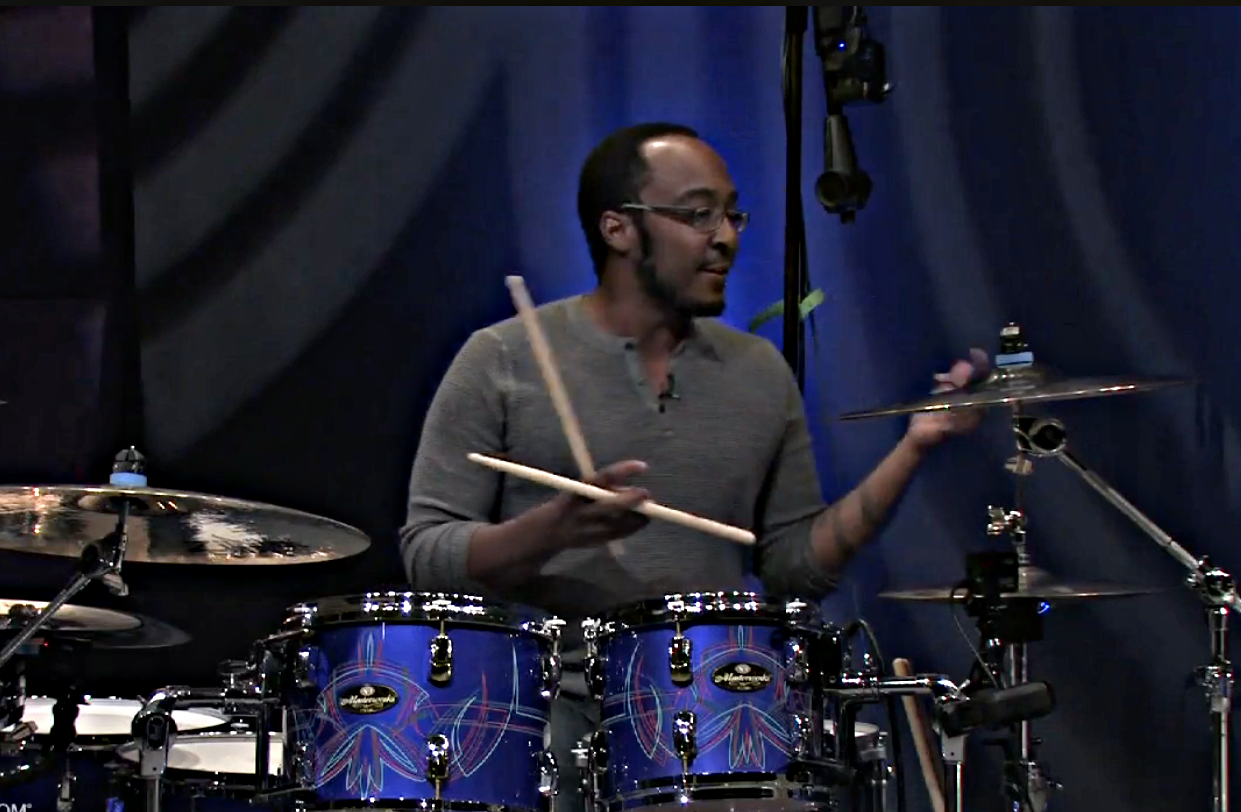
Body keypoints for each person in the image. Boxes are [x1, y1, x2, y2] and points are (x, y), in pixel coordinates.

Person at [399, 122, 983, 812]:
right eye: (698, 214)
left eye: (732, 215)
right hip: (537, 726)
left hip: (715, 721)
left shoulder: (758, 373)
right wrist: (550, 531)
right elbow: (427, 554)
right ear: (619, 228)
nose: (726, 237)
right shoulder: (501, 358)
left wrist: (914, 447)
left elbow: (793, 566)